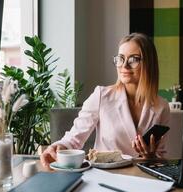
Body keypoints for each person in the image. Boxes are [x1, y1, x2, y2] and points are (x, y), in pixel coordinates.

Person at [41, 33, 171, 168]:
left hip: (142, 177)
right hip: (105, 176)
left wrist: (149, 157)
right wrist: (57, 147)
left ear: (149, 63)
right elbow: (74, 139)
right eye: (120, 58)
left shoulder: (161, 106)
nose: (124, 66)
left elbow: (160, 156)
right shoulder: (101, 96)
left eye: (133, 59)